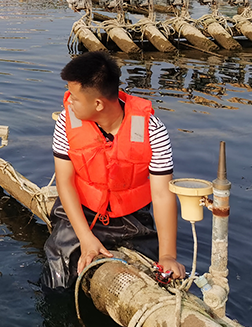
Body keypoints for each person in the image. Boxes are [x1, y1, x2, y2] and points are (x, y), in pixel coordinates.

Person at [41, 51, 185, 291]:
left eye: (75, 97)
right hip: (82, 212)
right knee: (58, 267)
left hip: (131, 219)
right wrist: (87, 240)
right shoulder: (66, 122)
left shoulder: (152, 130)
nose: (68, 101)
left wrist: (168, 254)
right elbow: (64, 184)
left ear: (97, 103)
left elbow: (162, 195)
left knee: (155, 278)